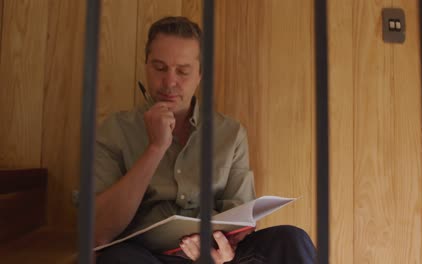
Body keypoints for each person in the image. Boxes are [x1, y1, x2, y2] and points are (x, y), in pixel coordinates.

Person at [94, 16, 317, 264]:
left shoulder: (230, 134)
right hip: (147, 256)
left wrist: (225, 248)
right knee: (117, 260)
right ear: (146, 65)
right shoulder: (114, 131)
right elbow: (98, 231)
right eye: (159, 68)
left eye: (183, 71)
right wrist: (156, 148)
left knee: (290, 239)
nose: (169, 82)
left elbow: (242, 220)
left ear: (200, 74)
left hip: (218, 254)